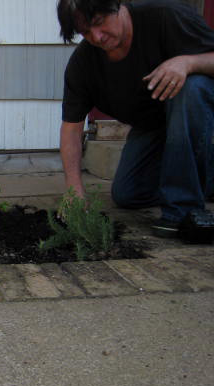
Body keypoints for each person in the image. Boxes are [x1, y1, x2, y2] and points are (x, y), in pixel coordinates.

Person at [57, 0, 214, 237]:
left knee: (191, 87)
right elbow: (71, 129)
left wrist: (188, 62)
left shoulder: (165, 17)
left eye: (99, 23)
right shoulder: (83, 65)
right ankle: (203, 177)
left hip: (194, 109)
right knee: (128, 194)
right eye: (86, 32)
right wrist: (74, 190)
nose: (97, 37)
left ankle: (183, 212)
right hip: (153, 127)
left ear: (117, 5)